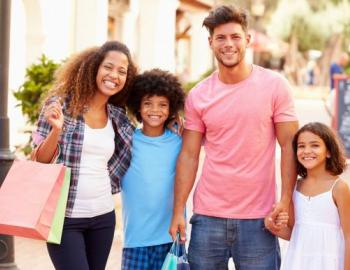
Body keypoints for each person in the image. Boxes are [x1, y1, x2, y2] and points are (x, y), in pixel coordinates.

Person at [169, 5, 299, 270]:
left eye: (235, 36)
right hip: (207, 217)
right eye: (221, 38)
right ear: (210, 43)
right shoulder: (199, 95)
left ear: (247, 40)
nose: (228, 44)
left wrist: (285, 199)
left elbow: (290, 145)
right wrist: (178, 210)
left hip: (259, 219)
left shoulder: (275, 86)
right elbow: (189, 155)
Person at [31, 41, 137, 270]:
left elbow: (143, 140)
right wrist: (56, 131)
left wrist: (173, 125)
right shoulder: (60, 106)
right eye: (108, 67)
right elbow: (39, 161)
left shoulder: (118, 116)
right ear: (94, 68)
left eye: (122, 71)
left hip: (103, 217)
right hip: (65, 219)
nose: (114, 75)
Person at [121, 69, 185, 270]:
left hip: (171, 238)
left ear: (171, 108)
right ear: (138, 107)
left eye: (162, 104)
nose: (154, 110)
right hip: (135, 240)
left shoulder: (179, 141)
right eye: (147, 103)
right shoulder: (126, 141)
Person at [265, 122, 350, 270]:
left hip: (329, 263)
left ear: (329, 151)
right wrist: (271, 225)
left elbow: (349, 236)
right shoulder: (294, 187)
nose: (307, 151)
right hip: (298, 262)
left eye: (315, 145)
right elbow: (295, 232)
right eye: (301, 146)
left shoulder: (339, 188)